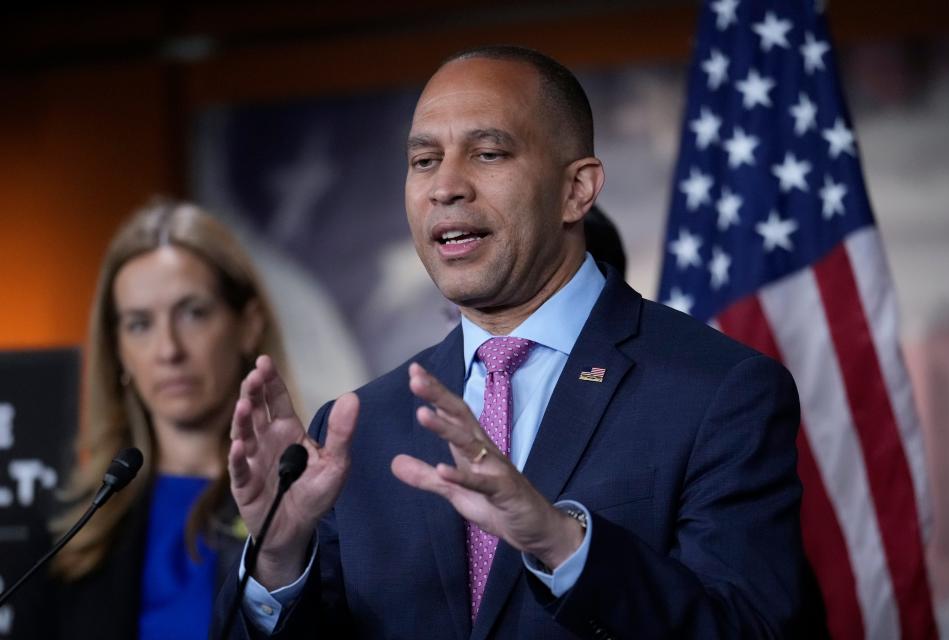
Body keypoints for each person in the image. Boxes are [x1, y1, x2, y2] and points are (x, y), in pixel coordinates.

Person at [215, 46, 816, 638]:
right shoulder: (357, 428)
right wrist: (278, 561)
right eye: (424, 160)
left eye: (488, 152)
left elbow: (752, 629)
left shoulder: (719, 391)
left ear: (576, 190)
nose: (445, 186)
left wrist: (561, 543)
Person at [47, 199, 297, 640]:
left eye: (193, 313)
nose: (169, 350)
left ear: (247, 324)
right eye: (140, 324)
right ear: (118, 348)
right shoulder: (71, 529)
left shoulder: (307, 502)